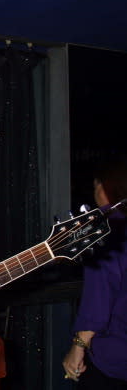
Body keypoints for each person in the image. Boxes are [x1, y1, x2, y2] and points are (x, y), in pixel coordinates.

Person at [62, 158, 127, 389]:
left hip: (115, 360)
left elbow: (98, 300)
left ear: (105, 186)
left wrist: (78, 346)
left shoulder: (105, 229)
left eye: (95, 186)